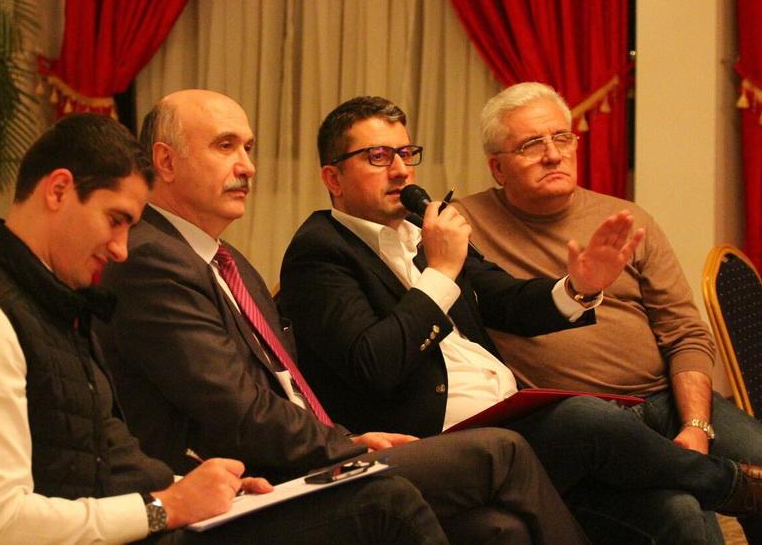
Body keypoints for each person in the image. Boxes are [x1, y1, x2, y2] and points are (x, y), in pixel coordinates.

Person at [0, 112, 450, 545]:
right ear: (58, 191)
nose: (121, 248)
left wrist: (197, 487)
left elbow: (103, 456)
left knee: (390, 498)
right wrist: (166, 506)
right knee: (386, 505)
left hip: (143, 524)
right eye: (116, 220)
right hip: (136, 529)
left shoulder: (53, 301)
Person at [94, 88, 595, 545]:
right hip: (236, 484)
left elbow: (279, 386)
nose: (247, 166)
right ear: (166, 161)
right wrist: (344, 446)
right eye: (226, 147)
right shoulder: (152, 259)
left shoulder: (228, 261)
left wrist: (580, 287)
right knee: (505, 451)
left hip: (308, 452)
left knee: (498, 529)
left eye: (248, 148)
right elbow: (238, 408)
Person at [277, 94, 762, 544]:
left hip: (514, 419)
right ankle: (732, 485)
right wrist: (441, 272)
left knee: (675, 510)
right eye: (379, 157)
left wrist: (578, 287)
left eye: (406, 154)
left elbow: (506, 299)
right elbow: (373, 362)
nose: (402, 170)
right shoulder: (319, 253)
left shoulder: (421, 230)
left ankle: (732, 487)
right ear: (333, 178)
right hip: (443, 444)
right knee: (587, 416)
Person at [452, 81, 762, 543]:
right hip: (579, 421)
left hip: (665, 400)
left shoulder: (625, 220)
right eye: (532, 145)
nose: (553, 155)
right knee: (682, 509)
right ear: (498, 167)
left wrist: (696, 425)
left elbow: (685, 333)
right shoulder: (462, 228)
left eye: (562, 138)